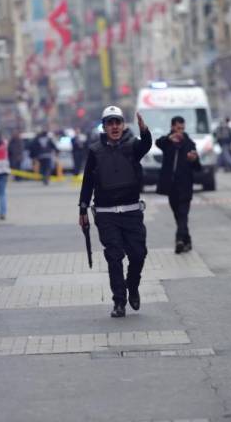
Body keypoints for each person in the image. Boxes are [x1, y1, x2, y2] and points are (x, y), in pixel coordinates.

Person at [78, 106, 152, 318]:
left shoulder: (132, 146)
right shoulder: (94, 151)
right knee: (114, 256)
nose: (114, 127)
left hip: (131, 212)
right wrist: (82, 208)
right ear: (104, 127)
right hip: (106, 213)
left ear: (123, 125)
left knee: (138, 254)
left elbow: (146, 145)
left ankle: (133, 285)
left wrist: (144, 130)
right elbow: (88, 181)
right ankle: (119, 301)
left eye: (117, 122)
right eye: (110, 123)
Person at [156, 116, 202, 254]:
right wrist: (170, 138)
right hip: (171, 187)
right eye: (177, 128)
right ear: (172, 127)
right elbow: (158, 143)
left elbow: (198, 167)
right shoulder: (167, 142)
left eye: (182, 128)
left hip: (185, 186)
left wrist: (194, 159)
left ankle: (179, 240)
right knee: (178, 215)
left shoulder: (189, 143)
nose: (180, 131)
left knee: (183, 214)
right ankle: (187, 240)